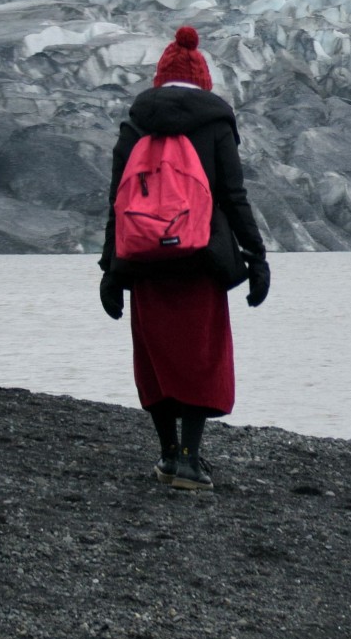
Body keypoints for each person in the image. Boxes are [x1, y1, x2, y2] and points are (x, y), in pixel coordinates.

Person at [98, 25, 270, 491]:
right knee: (201, 358)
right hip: (201, 259)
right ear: (204, 80)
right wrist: (257, 258)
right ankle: (192, 460)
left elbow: (117, 199)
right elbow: (234, 197)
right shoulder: (215, 124)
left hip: (144, 260)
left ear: (160, 78)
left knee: (157, 360)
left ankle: (170, 456)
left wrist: (109, 270)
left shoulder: (135, 126)